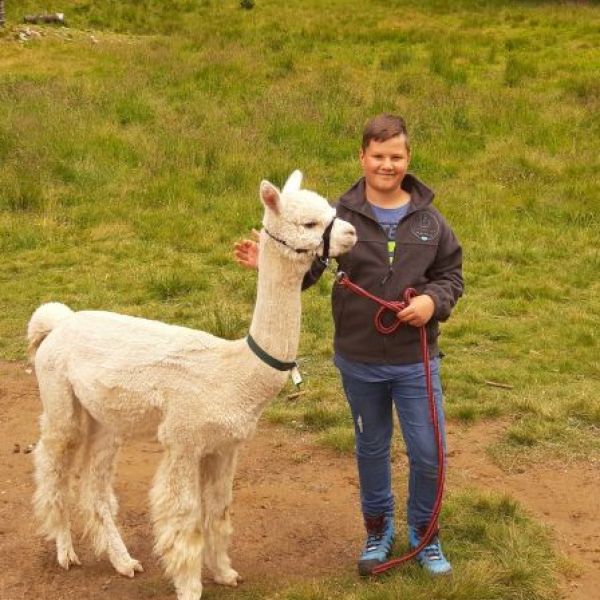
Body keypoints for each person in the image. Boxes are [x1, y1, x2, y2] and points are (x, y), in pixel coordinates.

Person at [234, 113, 463, 576]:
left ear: (408, 158)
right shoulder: (335, 216)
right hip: (359, 359)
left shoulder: (430, 222)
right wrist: (272, 262)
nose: (387, 164)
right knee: (371, 446)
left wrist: (430, 302)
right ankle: (378, 530)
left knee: (427, 450)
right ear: (362, 158)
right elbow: (309, 268)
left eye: (395, 156)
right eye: (378, 156)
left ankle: (424, 534)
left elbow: (451, 276)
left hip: (415, 358)